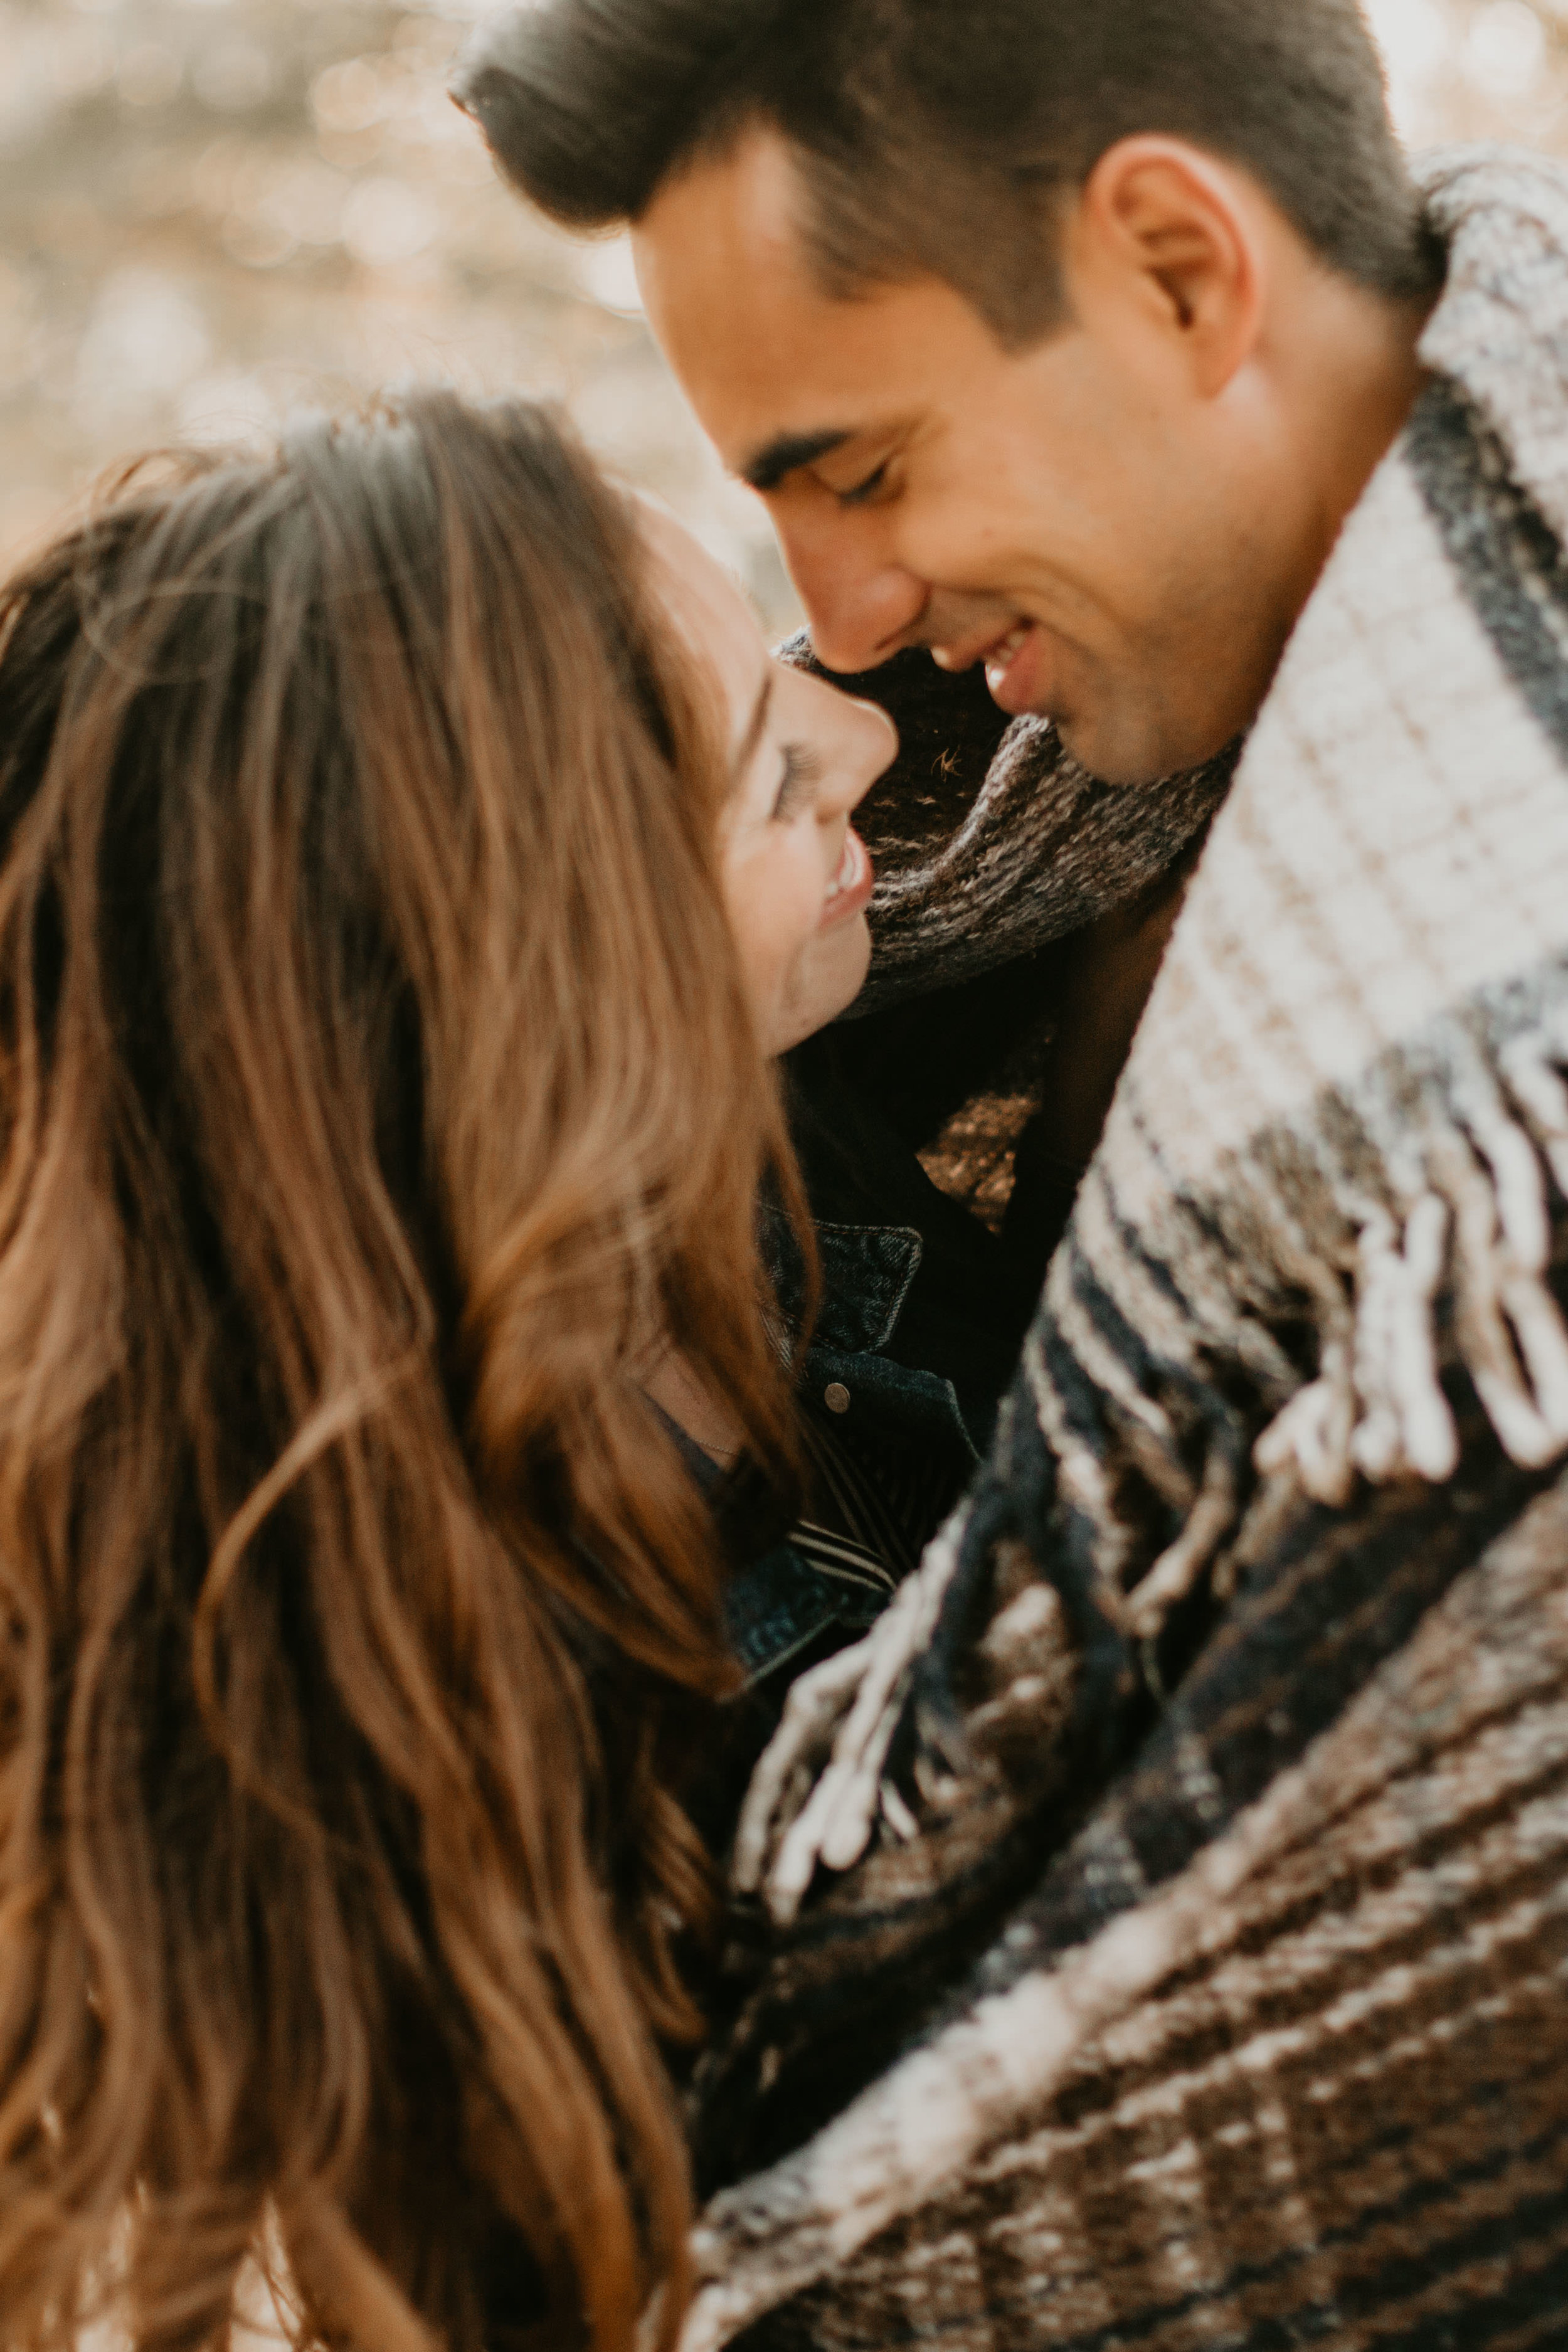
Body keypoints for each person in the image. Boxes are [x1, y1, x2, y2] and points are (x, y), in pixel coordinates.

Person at [455, 7, 1568, 2347]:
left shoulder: (1505, 1153)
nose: (840, 633)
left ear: (1178, 266)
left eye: (858, 466)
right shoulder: (1003, 859)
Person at [0, 386, 992, 2352]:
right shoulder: (410, 1751)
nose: (866, 741)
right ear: (567, 1006)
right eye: (768, 776)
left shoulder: (824, 1134)